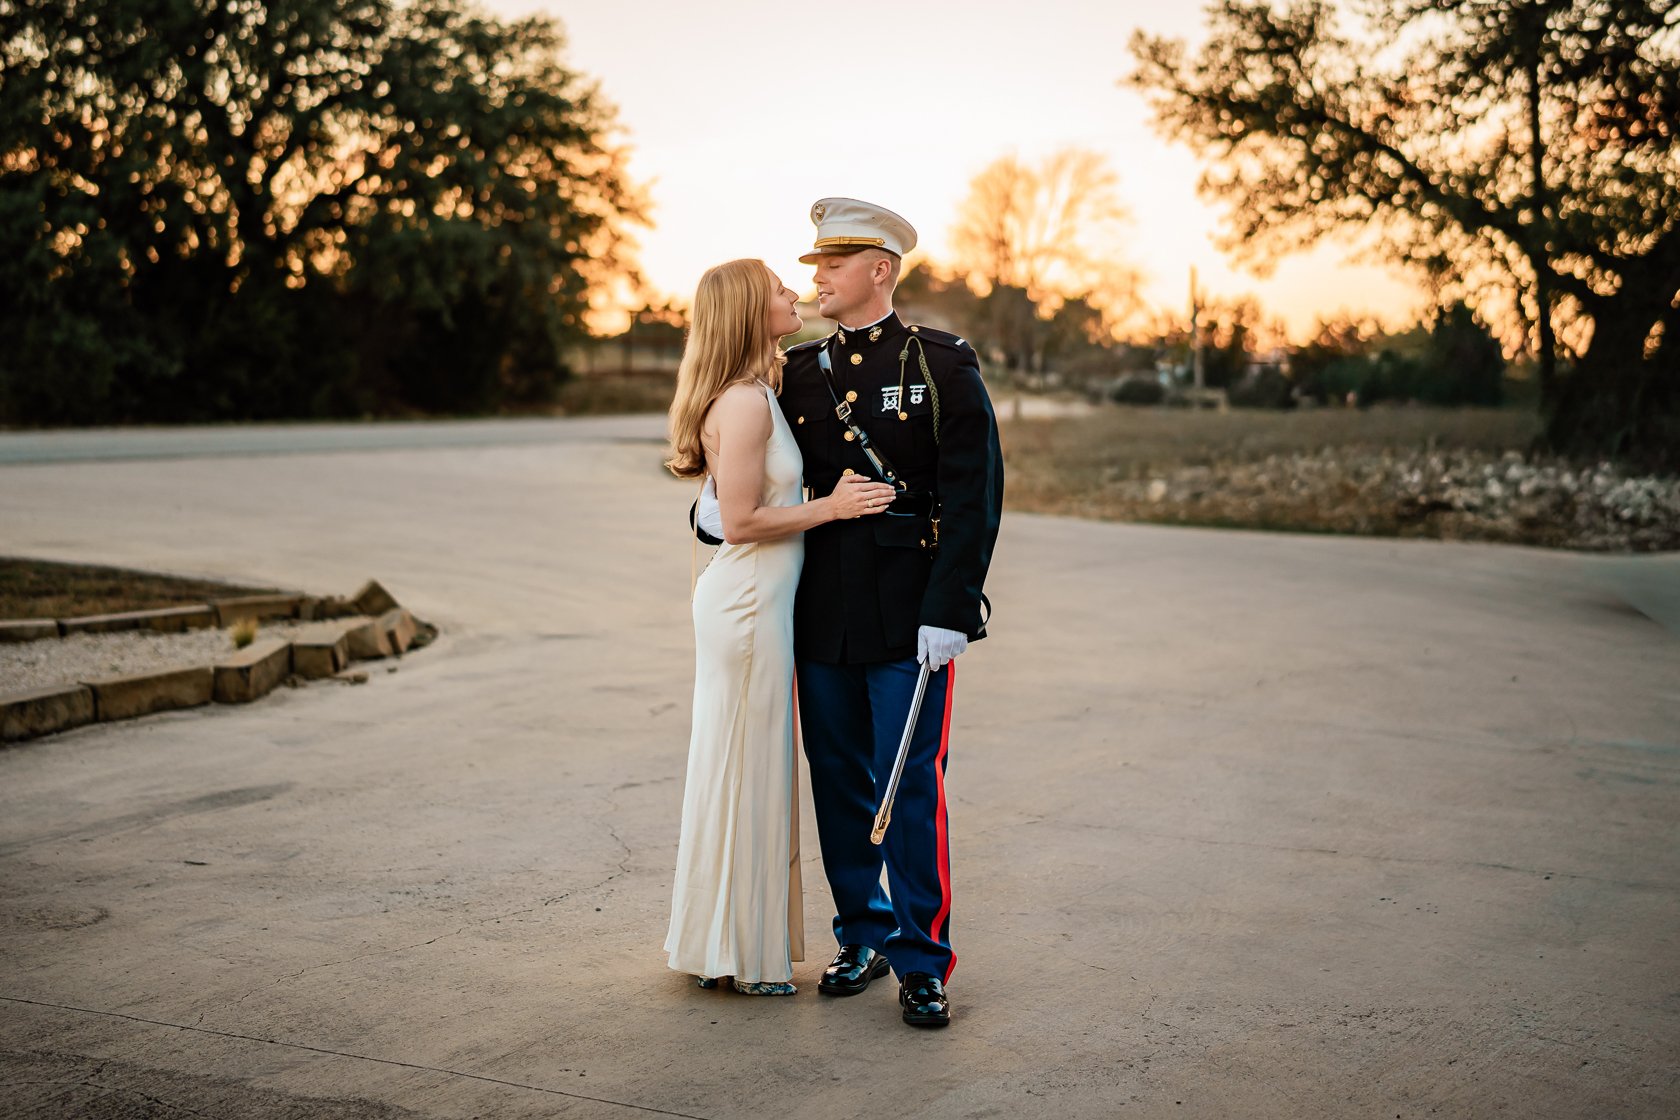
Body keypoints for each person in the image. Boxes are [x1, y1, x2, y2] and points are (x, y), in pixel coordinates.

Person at [778, 199, 1004, 1027]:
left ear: (880, 269)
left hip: (913, 615)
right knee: (836, 780)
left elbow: (975, 497)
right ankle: (861, 935)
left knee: (910, 784)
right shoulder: (797, 374)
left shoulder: (941, 364)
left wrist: (951, 608)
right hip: (821, 611)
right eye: (813, 266)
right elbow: (763, 474)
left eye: (833, 264)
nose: (818, 277)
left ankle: (921, 958)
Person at [663, 258, 896, 995]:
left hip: (757, 603)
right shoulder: (744, 403)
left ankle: (721, 945)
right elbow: (737, 522)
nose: (794, 293)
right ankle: (739, 952)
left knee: (742, 767)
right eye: (778, 289)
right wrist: (831, 506)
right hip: (746, 606)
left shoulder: (757, 390)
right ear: (746, 312)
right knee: (747, 768)